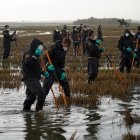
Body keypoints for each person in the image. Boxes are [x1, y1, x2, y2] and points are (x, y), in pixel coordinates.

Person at [22, 38, 47, 112]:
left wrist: (42, 72)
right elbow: (28, 64)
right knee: (42, 94)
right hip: (29, 79)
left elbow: (35, 67)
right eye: (40, 48)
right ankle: (39, 112)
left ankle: (26, 111)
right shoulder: (28, 54)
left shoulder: (37, 55)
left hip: (35, 78)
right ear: (35, 46)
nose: (41, 50)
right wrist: (35, 55)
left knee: (32, 97)